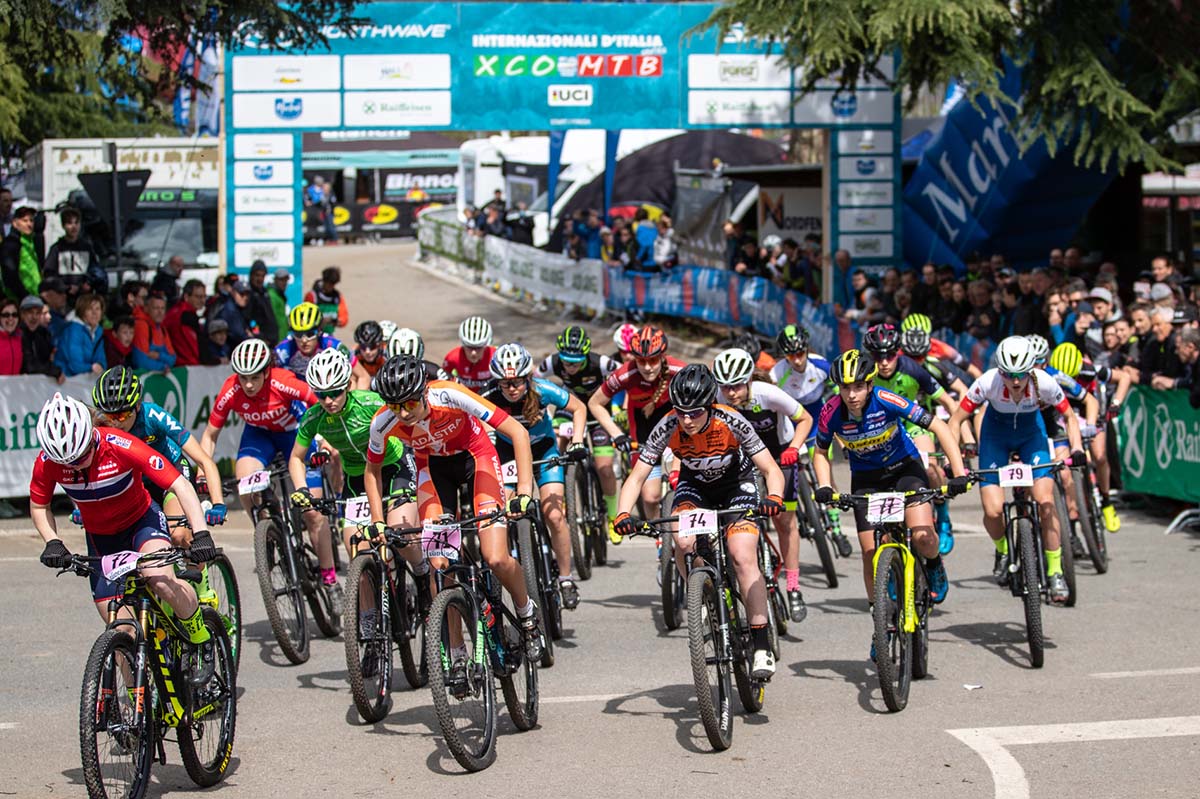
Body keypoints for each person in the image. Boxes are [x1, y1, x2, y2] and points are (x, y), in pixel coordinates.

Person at [365, 354, 547, 667]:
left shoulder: (449, 394)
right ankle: (457, 652)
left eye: (410, 403)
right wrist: (377, 521)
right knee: (439, 567)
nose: (403, 413)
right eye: (395, 406)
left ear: (424, 393)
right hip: (434, 470)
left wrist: (524, 492)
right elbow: (372, 470)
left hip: (476, 458)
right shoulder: (382, 422)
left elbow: (517, 431)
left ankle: (527, 615)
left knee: (496, 557)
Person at [614, 364, 787, 678]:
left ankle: (761, 644)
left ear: (710, 406)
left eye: (694, 412)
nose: (687, 420)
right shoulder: (668, 425)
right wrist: (623, 513)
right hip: (695, 487)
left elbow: (770, 469)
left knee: (742, 553)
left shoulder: (731, 420)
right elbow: (637, 476)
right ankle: (703, 596)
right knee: (683, 542)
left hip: (737, 485)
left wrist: (774, 496)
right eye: (681, 412)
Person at [31, 393, 219, 676]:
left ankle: (199, 637)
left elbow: (179, 484)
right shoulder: (47, 462)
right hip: (101, 538)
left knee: (160, 580)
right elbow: (39, 505)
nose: (76, 465)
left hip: (141, 523)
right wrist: (52, 541)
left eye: (81, 456)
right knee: (120, 631)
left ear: (91, 435)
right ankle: (136, 699)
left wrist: (201, 533)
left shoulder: (120, 444)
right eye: (67, 462)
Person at [813, 350, 967, 622]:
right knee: (870, 553)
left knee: (923, 537)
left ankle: (933, 565)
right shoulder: (831, 411)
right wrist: (825, 485)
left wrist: (959, 473)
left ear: (870, 384)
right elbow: (821, 452)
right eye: (845, 388)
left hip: (904, 469)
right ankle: (880, 619)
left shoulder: (886, 399)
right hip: (867, 479)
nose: (852, 395)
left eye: (858, 387)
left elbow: (938, 427)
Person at [198, 339, 340, 606]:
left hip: (294, 435)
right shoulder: (231, 389)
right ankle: (267, 531)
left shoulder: (283, 381)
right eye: (243, 378)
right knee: (245, 484)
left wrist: (323, 439)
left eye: (254, 377)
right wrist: (202, 472)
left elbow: (320, 402)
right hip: (259, 437)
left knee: (313, 513)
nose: (249, 385)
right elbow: (209, 435)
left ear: (266, 372)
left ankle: (329, 578)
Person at [947, 336, 1084, 604]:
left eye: (1021, 374)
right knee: (993, 510)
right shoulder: (988, 382)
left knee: (1045, 502)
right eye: (1009, 375)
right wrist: (954, 464)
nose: (1016, 381)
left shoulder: (1045, 382)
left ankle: (1055, 571)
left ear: (1031, 370)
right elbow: (956, 420)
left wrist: (1077, 448)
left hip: (1031, 436)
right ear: (1000, 372)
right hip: (995, 437)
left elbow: (1069, 416)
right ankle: (1003, 549)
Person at [289, 349, 420, 603]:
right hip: (357, 477)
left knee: (400, 534)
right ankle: (368, 619)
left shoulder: (370, 403)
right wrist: (302, 489)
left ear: (348, 385)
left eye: (335, 392)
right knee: (357, 550)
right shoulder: (314, 417)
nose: (329, 400)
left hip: (393, 466)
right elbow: (296, 458)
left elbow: (409, 424)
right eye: (321, 395)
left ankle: (422, 573)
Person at [482, 343, 589, 610]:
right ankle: (514, 561)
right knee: (504, 512)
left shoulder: (542, 390)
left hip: (543, 451)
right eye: (505, 383)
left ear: (528, 378)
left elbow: (578, 408)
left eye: (517, 382)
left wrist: (576, 441)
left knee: (554, 515)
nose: (512, 388)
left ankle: (565, 578)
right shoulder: (489, 396)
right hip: (508, 455)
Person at [712, 347, 812, 621]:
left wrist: (794, 447)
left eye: (736, 386)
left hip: (779, 455)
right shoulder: (718, 398)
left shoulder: (767, 393)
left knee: (784, 521)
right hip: (744, 462)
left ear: (748, 380)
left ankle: (793, 587)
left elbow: (805, 418)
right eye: (725, 387)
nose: (731, 393)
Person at [91, 366, 228, 535]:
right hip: (137, 482)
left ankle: (196, 549)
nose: (116, 423)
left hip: (171, 473)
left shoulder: (153, 416)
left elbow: (204, 460)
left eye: (122, 415)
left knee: (178, 535)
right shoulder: (100, 425)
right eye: (109, 416)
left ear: (138, 405)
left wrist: (218, 503)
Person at [861, 323, 961, 553]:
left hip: (911, 423)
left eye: (889, 355)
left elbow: (949, 403)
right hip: (881, 429)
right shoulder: (865, 374)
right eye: (878, 356)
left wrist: (954, 445)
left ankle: (942, 515)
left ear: (898, 352)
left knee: (930, 468)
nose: (884, 362)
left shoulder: (912, 369)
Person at [587, 325, 686, 543]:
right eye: (641, 361)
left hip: (677, 427)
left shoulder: (678, 370)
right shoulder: (626, 374)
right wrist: (616, 434)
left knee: (680, 483)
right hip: (643, 430)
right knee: (650, 497)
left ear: (663, 356)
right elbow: (595, 403)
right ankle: (661, 538)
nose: (648, 367)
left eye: (653, 360)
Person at [535, 325, 621, 534]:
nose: (571, 367)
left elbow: (625, 377)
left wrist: (619, 406)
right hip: (569, 408)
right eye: (567, 362)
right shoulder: (552, 362)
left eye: (576, 363)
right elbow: (534, 383)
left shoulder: (601, 363)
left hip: (597, 411)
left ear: (586, 356)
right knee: (556, 443)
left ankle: (613, 516)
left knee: (605, 468)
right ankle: (561, 492)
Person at [43, 205, 106, 298]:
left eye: (76, 223)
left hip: (83, 296)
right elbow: (49, 273)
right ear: (63, 226)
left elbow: (94, 269)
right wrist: (65, 287)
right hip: (64, 296)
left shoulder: (86, 248)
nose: (74, 227)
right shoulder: (57, 249)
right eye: (69, 223)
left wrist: (89, 283)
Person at [275, 301, 346, 380]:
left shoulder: (333, 346)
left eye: (310, 334)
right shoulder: (283, 350)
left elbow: (357, 374)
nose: (304, 340)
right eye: (298, 334)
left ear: (319, 331)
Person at [56, 293, 106, 377]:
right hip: (66, 378)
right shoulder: (73, 330)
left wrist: (100, 365)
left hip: (86, 378)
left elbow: (101, 360)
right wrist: (91, 367)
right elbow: (75, 365)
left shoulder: (98, 332)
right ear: (82, 312)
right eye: (90, 309)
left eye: (97, 309)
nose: (94, 313)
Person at [442, 315, 496, 392]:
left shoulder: (495, 357)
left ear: (486, 345)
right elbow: (443, 382)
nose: (473, 353)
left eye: (478, 348)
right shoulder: (452, 358)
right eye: (469, 347)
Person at [0, 206, 44, 301]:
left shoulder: (31, 243)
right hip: (18, 299)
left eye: (31, 220)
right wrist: (24, 296)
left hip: (34, 297)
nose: (29, 224)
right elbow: (9, 275)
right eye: (25, 221)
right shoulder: (11, 244)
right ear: (15, 223)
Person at [18, 295, 63, 383]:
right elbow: (29, 366)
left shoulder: (44, 333)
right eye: (30, 313)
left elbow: (50, 359)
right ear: (22, 315)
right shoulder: (18, 335)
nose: (34, 317)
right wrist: (55, 371)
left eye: (38, 313)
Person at [132, 292, 178, 372]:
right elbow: (141, 362)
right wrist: (163, 367)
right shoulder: (141, 325)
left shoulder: (162, 329)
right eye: (156, 308)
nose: (160, 312)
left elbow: (173, 359)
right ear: (146, 309)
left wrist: (158, 356)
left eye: (162, 308)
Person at [165, 279, 206, 366]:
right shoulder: (184, 316)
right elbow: (192, 347)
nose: (202, 300)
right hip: (185, 365)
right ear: (186, 297)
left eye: (204, 297)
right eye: (198, 297)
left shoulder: (178, 311)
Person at [303, 266, 349, 334]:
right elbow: (305, 318)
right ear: (324, 281)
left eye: (333, 284)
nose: (331, 286)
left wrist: (335, 321)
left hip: (328, 335)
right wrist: (320, 321)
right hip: (312, 335)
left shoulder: (337, 297)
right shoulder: (312, 296)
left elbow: (344, 318)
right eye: (329, 283)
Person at [246, 261, 280, 345]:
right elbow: (250, 320)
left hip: (272, 340)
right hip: (261, 342)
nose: (260, 279)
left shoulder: (264, 293)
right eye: (257, 275)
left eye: (263, 276)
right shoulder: (248, 294)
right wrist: (260, 337)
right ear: (251, 275)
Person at [349, 320, 386, 391]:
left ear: (379, 344)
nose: (367, 352)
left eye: (372, 346)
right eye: (363, 347)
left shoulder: (386, 354)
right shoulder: (353, 354)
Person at [0, 298, 21, 374]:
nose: (11, 318)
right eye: (6, 315)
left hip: (17, 381)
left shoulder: (21, 337)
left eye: (14, 315)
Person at [268, 268, 290, 337]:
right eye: (281, 280)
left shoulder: (279, 295)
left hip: (281, 336)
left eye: (286, 280)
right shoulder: (272, 295)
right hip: (275, 337)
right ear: (275, 280)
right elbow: (271, 319)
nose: (284, 283)